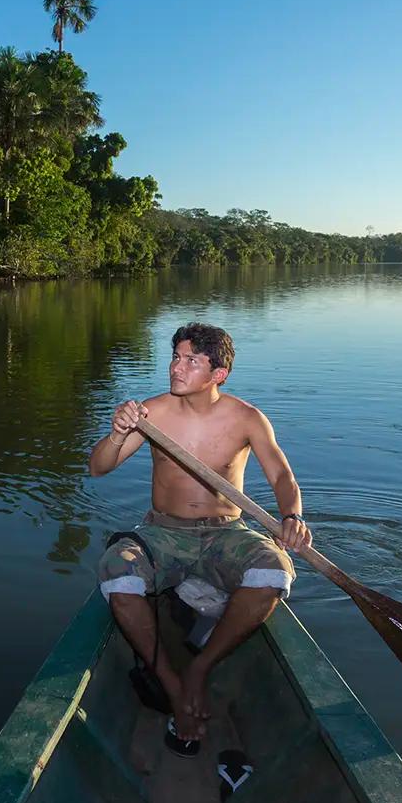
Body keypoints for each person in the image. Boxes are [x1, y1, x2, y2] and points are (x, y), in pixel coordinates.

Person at [87, 322, 313, 756]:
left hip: (225, 532)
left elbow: (282, 474)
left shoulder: (246, 418)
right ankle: (174, 685)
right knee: (118, 575)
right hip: (162, 531)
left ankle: (199, 669)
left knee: (274, 572)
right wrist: (117, 433)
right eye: (175, 355)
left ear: (218, 374)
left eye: (191, 360)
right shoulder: (151, 414)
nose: (176, 366)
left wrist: (291, 516)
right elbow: (98, 468)